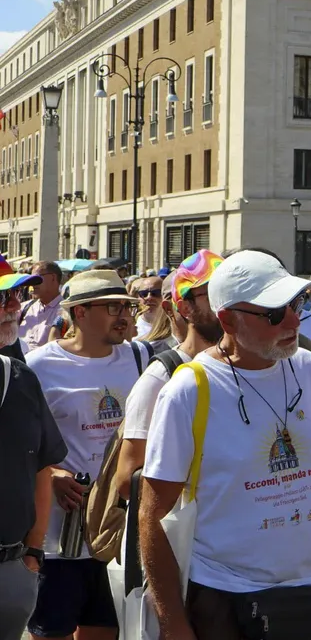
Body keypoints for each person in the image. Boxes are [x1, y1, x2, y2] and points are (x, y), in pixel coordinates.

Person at [139, 250, 311, 640]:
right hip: (224, 600)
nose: (292, 320)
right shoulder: (188, 389)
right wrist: (173, 623)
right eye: (273, 313)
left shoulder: (309, 367)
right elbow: (153, 514)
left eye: (295, 304)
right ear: (227, 320)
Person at [25, 270, 150, 640]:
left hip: (119, 532)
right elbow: (19, 443)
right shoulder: (38, 366)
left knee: (105, 631)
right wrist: (52, 475)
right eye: (113, 307)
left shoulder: (142, 357)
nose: (124, 315)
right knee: (52, 631)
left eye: (127, 305)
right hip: (60, 537)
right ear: (79, 313)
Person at [115, 250, 225, 502]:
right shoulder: (161, 377)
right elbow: (126, 479)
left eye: (228, 290)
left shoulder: (238, 367)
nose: (224, 302)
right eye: (211, 293)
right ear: (184, 307)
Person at [0, 271, 67, 640]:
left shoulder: (21, 378)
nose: (15, 307)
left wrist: (33, 554)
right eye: (3, 298)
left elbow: (42, 465)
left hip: (10, 572)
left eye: (17, 295)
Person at [19, 261, 64, 350]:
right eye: (30, 279)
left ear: (53, 278)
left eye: (36, 278)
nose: (32, 283)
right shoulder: (23, 308)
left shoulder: (67, 312)